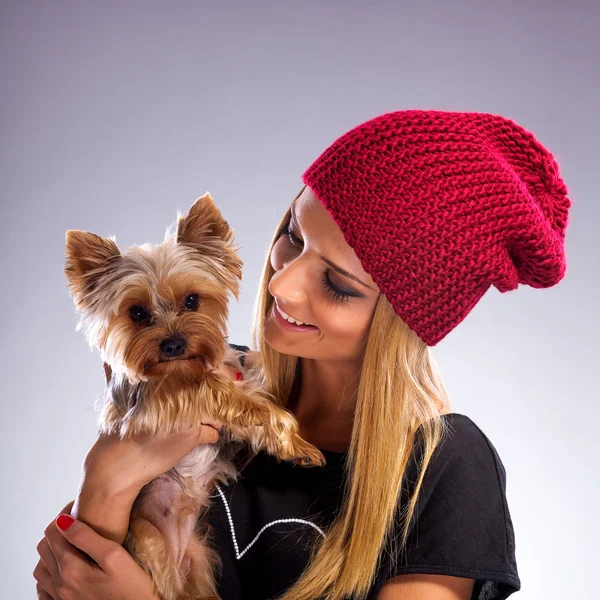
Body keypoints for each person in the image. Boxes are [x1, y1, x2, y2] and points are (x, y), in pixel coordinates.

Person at [34, 109, 572, 600]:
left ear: (400, 324)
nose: (284, 284)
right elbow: (73, 582)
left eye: (337, 284)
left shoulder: (445, 469)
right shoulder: (207, 387)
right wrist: (102, 478)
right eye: (292, 235)